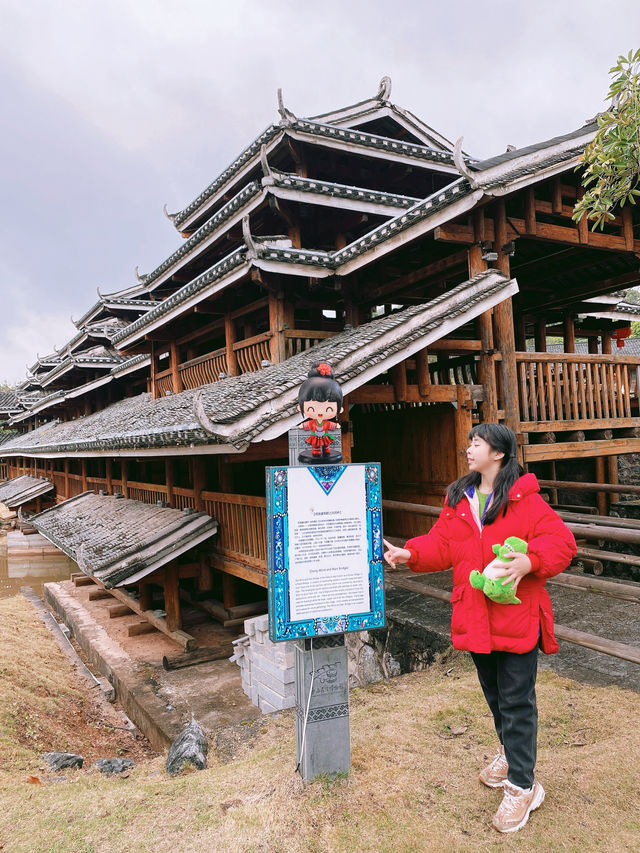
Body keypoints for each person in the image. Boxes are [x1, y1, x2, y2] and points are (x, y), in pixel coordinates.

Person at [383, 423, 576, 834]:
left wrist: (529, 562)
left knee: (517, 700)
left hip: (516, 617)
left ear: (499, 453)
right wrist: (410, 552)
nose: (469, 448)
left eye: (477, 443)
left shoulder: (526, 500)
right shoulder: (460, 498)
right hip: (475, 615)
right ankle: (510, 753)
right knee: (495, 695)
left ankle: (523, 786)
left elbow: (562, 543)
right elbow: (442, 545)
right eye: (470, 442)